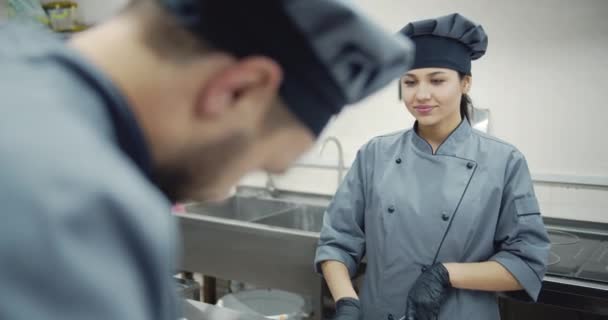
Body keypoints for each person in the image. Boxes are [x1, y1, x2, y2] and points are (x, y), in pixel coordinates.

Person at [0, 0, 415, 319]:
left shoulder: (16, 57)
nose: (219, 190)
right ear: (239, 89)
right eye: (258, 161)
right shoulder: (86, 210)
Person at [315, 13, 551, 320]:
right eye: (410, 82)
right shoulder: (375, 154)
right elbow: (336, 241)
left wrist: (445, 274)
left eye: (437, 80)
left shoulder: (504, 161)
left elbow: (527, 262)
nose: (421, 95)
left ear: (465, 83)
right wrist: (347, 302)